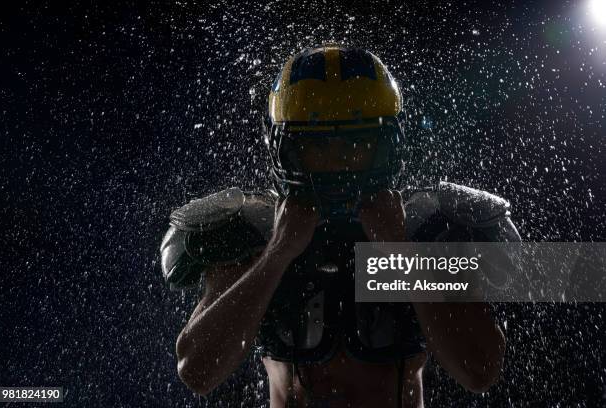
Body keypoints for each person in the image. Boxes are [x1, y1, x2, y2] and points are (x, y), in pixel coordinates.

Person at [160, 45, 521, 407]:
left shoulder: (425, 231)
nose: (339, 163)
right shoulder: (255, 234)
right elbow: (197, 370)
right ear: (287, 148)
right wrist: (277, 252)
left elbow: (480, 370)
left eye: (357, 143)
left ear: (386, 144)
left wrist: (401, 251)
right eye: (319, 146)